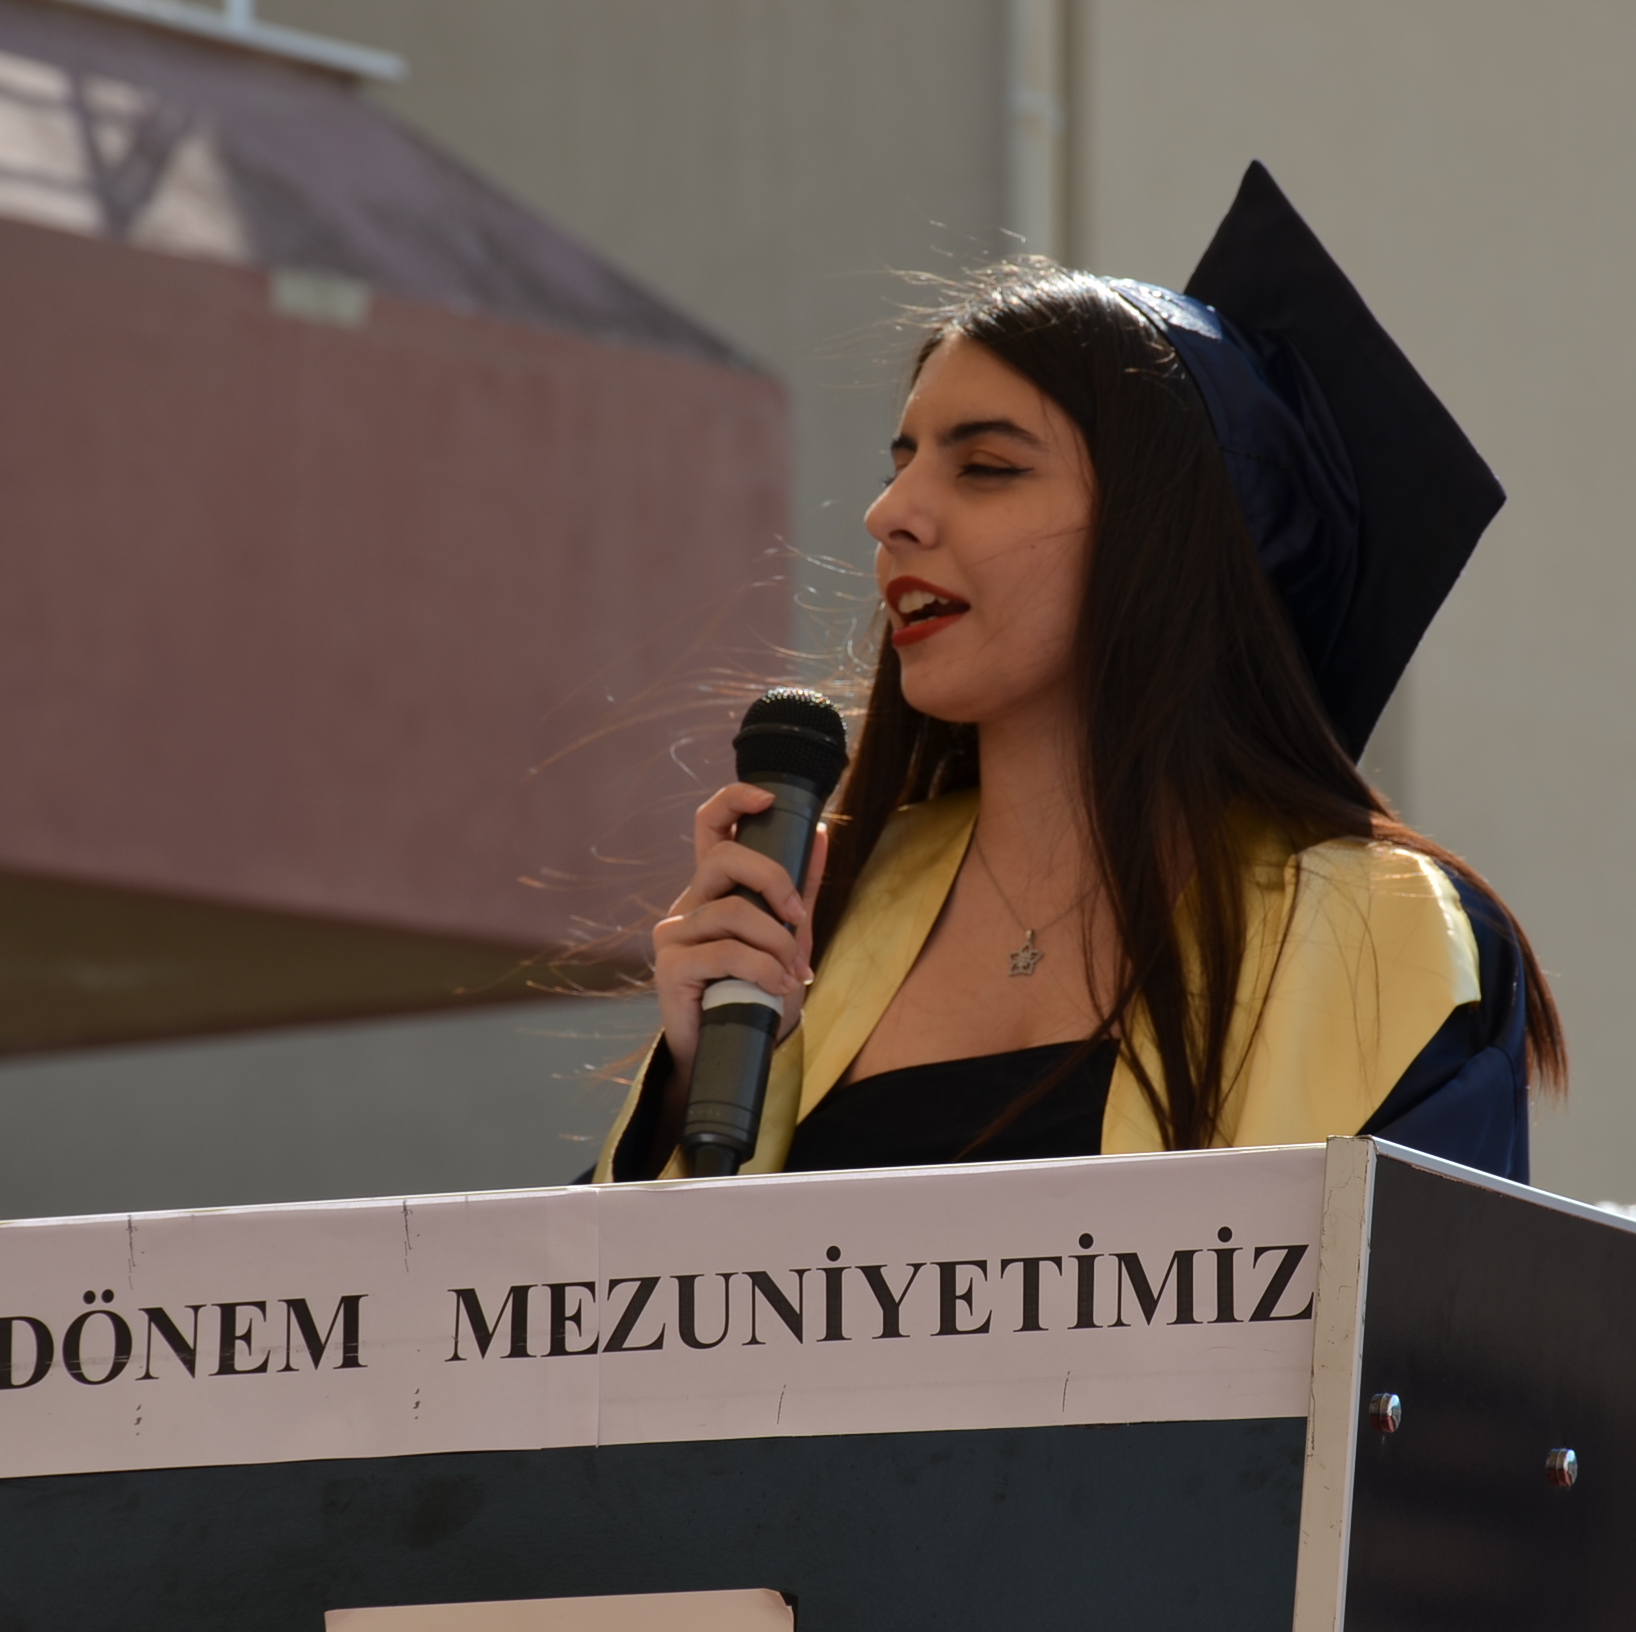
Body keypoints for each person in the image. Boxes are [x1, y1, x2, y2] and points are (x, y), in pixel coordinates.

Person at [595, 164, 1563, 1185]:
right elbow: (612, 1283)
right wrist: (690, 1092)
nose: (889, 515)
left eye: (986, 468)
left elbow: (1411, 1287)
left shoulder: (1380, 935)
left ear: (1169, 541)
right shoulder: (823, 908)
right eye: (901, 464)